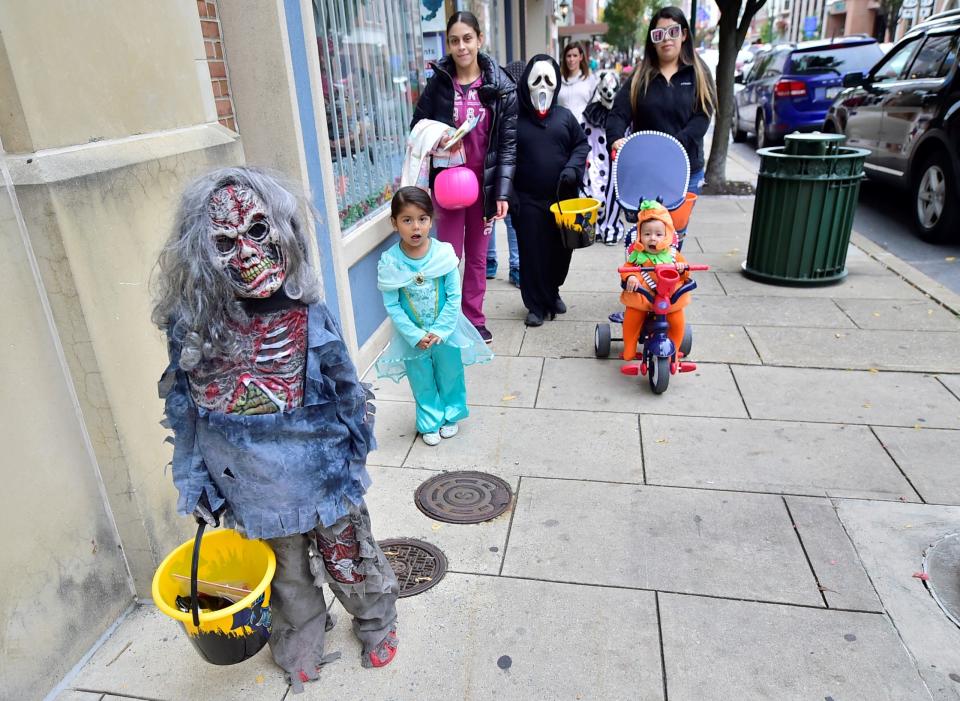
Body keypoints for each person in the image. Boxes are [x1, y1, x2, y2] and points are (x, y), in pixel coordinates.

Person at [152, 168, 399, 693]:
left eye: (259, 231)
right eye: (224, 241)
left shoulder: (306, 313)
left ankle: (376, 620)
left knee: (348, 557)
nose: (244, 253)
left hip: (323, 474)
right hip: (253, 487)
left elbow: (345, 385)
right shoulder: (193, 328)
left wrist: (354, 453)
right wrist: (197, 483)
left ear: (284, 233)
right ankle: (300, 641)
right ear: (201, 255)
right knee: (285, 577)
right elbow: (186, 413)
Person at [411, 10, 518, 344]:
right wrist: (438, 136)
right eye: (454, 40)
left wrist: (502, 193)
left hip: (483, 189)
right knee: (447, 256)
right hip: (450, 185)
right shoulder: (440, 82)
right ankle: (447, 320)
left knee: (477, 256)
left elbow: (508, 145)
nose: (461, 47)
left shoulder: (500, 86)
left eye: (467, 39)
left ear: (479, 40)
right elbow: (417, 125)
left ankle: (474, 319)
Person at [376, 187, 493, 446]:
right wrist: (415, 334)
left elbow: (454, 296)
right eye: (407, 220)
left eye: (422, 219)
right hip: (413, 335)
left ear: (431, 219)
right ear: (394, 223)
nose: (415, 227)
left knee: (451, 373)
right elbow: (393, 305)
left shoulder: (443, 254)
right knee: (421, 379)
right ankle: (429, 421)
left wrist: (441, 330)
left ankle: (451, 415)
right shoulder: (390, 262)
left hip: (446, 331)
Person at [606, 6, 716, 200]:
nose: (666, 38)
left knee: (675, 230)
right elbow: (618, 113)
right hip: (648, 170)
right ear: (652, 40)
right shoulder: (640, 77)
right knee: (651, 229)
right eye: (659, 34)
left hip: (687, 170)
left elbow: (703, 116)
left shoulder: (698, 72)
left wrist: (674, 146)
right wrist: (615, 138)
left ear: (683, 35)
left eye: (673, 32)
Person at [513, 55, 590, 327]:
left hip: (562, 201)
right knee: (533, 254)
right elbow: (505, 158)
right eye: (537, 80)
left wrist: (572, 168)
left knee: (560, 252)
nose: (543, 86)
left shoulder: (566, 118)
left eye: (548, 79)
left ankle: (552, 291)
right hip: (528, 200)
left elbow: (582, 146)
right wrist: (509, 195)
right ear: (526, 84)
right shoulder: (516, 120)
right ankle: (535, 305)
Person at [619, 200, 691, 368]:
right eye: (647, 234)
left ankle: (675, 351)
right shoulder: (638, 255)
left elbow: (687, 273)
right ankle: (629, 348)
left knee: (678, 319)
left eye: (659, 234)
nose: (653, 238)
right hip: (644, 296)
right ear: (640, 235)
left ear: (667, 235)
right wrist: (630, 277)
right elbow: (627, 268)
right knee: (633, 316)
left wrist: (681, 270)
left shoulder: (674, 254)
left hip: (669, 298)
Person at [486, 59, 526, 288]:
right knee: (491, 216)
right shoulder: (497, 101)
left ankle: (516, 266)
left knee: (509, 220)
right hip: (494, 166)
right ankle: (494, 261)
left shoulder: (524, 107)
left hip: (513, 169)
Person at [581, 69, 624, 245]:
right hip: (595, 159)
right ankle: (596, 227)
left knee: (613, 193)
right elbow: (583, 134)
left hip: (614, 160)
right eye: (605, 88)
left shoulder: (622, 112)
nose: (609, 93)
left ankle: (611, 227)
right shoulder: (591, 112)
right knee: (594, 192)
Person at [557, 41, 597, 126]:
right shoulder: (558, 80)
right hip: (562, 127)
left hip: (583, 128)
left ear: (581, 57)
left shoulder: (589, 79)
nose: (571, 59)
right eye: (568, 56)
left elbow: (595, 104)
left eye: (575, 55)